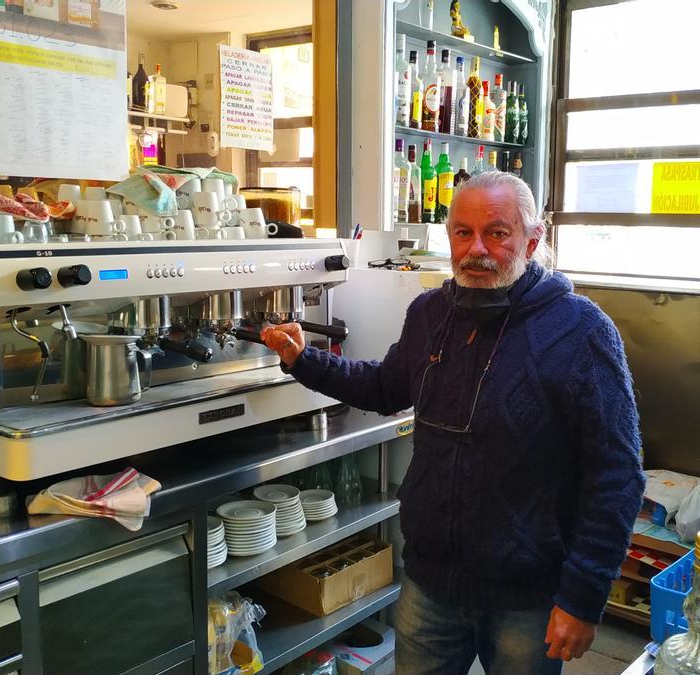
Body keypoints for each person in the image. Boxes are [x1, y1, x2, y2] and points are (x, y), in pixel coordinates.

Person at [261, 172, 644, 674]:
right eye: (463, 233)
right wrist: (305, 360)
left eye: (497, 232)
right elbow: (385, 387)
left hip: (527, 596)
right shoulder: (430, 313)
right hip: (430, 583)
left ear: (532, 240)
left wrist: (583, 596)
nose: (476, 249)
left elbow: (617, 475)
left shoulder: (581, 331)